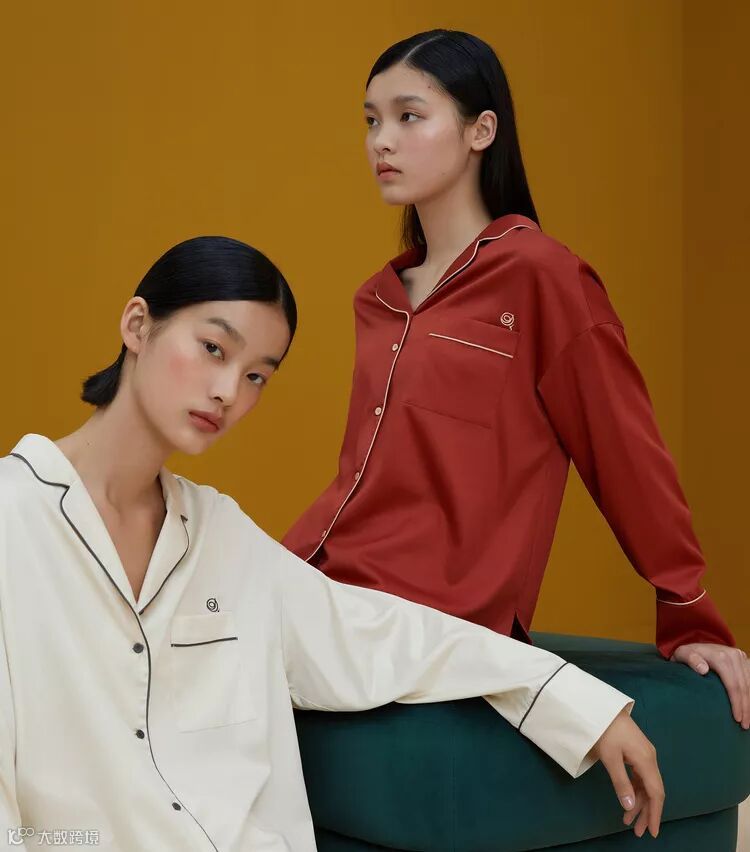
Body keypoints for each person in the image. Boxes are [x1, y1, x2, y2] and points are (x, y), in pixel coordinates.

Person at [0, 236, 663, 850]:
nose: (228, 392)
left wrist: (578, 703)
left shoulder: (221, 536)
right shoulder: (14, 521)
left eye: (257, 376)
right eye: (214, 348)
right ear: (138, 326)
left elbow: (385, 637)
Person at [282, 29, 749, 748]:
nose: (382, 141)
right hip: (324, 586)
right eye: (371, 120)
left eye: (409, 116)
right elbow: (361, 478)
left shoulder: (543, 278)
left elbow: (624, 451)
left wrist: (687, 608)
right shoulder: (377, 298)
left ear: (481, 130)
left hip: (431, 614)